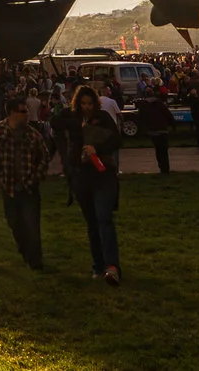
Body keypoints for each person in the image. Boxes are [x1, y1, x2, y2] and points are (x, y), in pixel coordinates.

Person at [0, 97, 48, 272]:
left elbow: (44, 156)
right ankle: (25, 250)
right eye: (23, 111)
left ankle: (35, 261)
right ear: (12, 113)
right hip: (9, 187)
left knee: (32, 225)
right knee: (15, 223)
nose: (27, 114)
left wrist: (36, 177)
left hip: (29, 188)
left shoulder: (32, 134)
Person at [67, 88, 123, 285]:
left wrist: (96, 148)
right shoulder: (73, 120)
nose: (87, 107)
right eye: (83, 104)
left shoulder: (103, 118)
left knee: (104, 218)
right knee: (92, 223)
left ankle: (112, 266)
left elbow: (116, 140)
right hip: (82, 177)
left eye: (90, 103)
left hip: (102, 174)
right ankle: (98, 265)